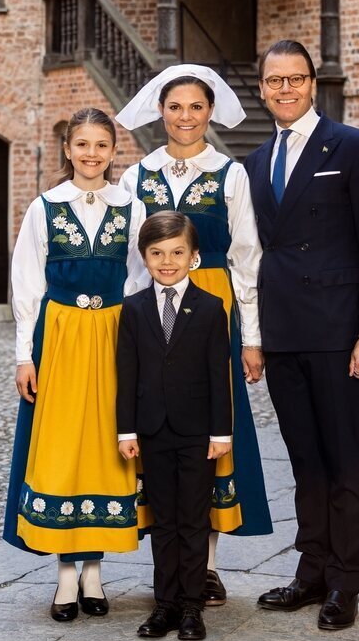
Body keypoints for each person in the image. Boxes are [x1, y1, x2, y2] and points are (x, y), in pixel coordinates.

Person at [242, 40, 359, 631]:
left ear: (313, 84)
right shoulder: (255, 163)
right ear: (262, 88)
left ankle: (345, 584)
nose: (285, 89)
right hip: (282, 334)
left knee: (344, 461)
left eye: (295, 79)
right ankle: (311, 572)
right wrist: (254, 335)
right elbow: (254, 254)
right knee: (304, 461)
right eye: (274, 81)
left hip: (337, 333)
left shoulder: (353, 147)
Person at [117, 64, 273, 607]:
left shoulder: (231, 175)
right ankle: (168, 559)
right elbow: (133, 265)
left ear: (210, 113)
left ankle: (205, 565)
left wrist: (250, 337)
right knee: (159, 425)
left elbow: (247, 259)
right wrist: (129, 324)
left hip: (213, 310)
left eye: (196, 107)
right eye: (175, 107)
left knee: (210, 429)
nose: (185, 117)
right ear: (161, 112)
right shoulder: (138, 176)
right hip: (153, 313)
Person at [2, 107, 148, 622]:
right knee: (63, 449)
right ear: (67, 150)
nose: (91, 154)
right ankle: (66, 576)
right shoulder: (45, 208)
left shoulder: (131, 208)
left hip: (112, 334)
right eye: (81, 144)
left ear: (114, 151)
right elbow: (27, 286)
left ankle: (94, 573)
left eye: (101, 145)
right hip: (59, 337)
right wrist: (26, 354)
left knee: (108, 448)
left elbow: (139, 280)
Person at [116, 211, 233, 641]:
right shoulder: (132, 308)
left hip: (198, 432)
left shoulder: (209, 308)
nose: (168, 262)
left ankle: (191, 607)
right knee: (163, 521)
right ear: (144, 258)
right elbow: (125, 374)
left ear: (194, 257)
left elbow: (219, 376)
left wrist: (222, 433)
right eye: (157, 253)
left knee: (192, 520)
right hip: (152, 431)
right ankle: (163, 604)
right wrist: (125, 431)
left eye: (177, 252)